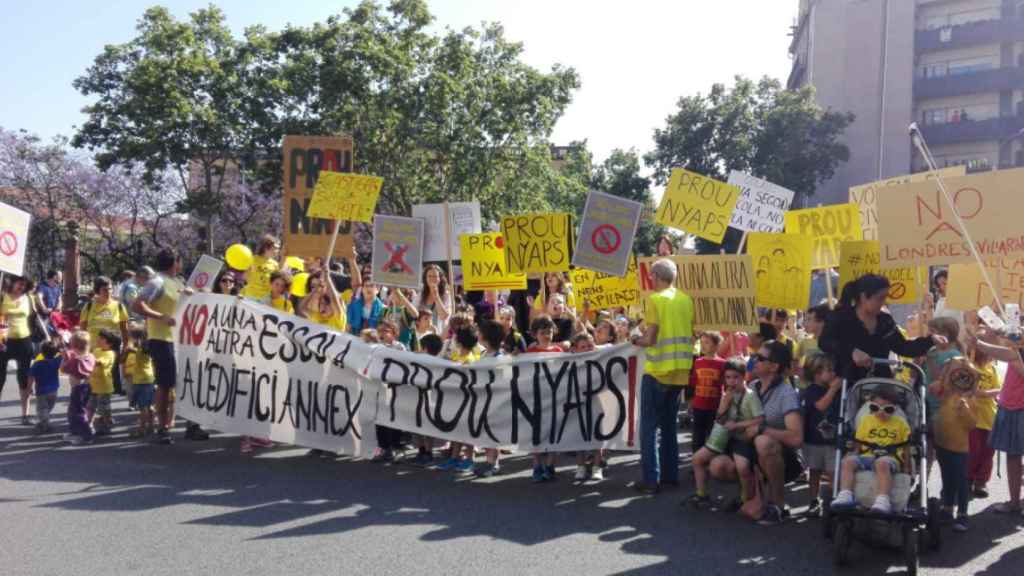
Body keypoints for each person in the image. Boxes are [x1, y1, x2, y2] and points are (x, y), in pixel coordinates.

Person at [631, 258, 695, 495]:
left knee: (648, 428)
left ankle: (651, 480)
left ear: (656, 276)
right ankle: (670, 476)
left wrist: (634, 340)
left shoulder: (655, 299)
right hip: (680, 373)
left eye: (652, 276)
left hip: (658, 372)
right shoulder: (686, 299)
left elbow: (650, 339)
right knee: (669, 427)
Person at [819, 274, 940, 384]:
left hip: (881, 385)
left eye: (885, 298)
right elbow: (824, 342)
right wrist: (851, 351)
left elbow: (904, 347)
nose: (883, 303)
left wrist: (930, 340)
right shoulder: (840, 317)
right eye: (880, 298)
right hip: (847, 385)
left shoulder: (885, 321)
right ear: (863, 297)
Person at [685, 358, 763, 508]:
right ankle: (702, 494)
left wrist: (738, 424)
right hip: (726, 437)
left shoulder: (750, 395)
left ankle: (745, 500)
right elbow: (719, 419)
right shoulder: (727, 393)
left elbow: (760, 419)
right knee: (697, 459)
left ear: (744, 376)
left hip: (742, 439)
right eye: (728, 377)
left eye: (735, 377)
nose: (731, 381)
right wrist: (723, 404)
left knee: (742, 467)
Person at [134, 248, 189, 445]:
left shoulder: (178, 281)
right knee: (165, 384)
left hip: (179, 340)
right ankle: (162, 427)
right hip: (161, 339)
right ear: (175, 262)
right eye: (180, 261)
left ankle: (182, 424)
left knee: (179, 383)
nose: (181, 264)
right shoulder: (157, 281)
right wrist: (161, 317)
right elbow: (137, 304)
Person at [966, 329, 1024, 514]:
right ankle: (1014, 502)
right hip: (1010, 406)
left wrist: (981, 344)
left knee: (1013, 456)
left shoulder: (1015, 353)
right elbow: (1010, 349)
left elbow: (1010, 355)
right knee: (1013, 456)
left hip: (1018, 408)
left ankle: (1015, 502)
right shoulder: (1017, 346)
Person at [747, 340, 804, 525]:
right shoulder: (751, 387)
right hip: (750, 452)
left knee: (763, 441)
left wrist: (763, 429)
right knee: (718, 466)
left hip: (784, 458)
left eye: (760, 358)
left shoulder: (786, 393)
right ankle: (750, 497)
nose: (754, 360)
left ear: (774, 366)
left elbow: (796, 438)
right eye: (755, 355)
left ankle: (778, 505)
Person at [831, 389, 911, 513]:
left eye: (887, 409)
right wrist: (854, 454)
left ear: (895, 409)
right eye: (875, 408)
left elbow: (906, 446)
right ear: (870, 407)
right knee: (847, 462)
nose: (880, 412)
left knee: (882, 463)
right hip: (867, 455)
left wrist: (906, 467)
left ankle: (883, 500)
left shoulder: (900, 423)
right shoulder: (867, 420)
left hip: (891, 457)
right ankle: (845, 494)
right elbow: (859, 441)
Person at [931, 356, 978, 532]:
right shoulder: (946, 392)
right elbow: (934, 387)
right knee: (947, 477)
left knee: (960, 480)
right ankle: (947, 507)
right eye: (954, 374)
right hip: (942, 442)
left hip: (959, 447)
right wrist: (944, 374)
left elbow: (972, 424)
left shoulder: (970, 400)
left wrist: (964, 410)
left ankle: (963, 513)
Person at [801, 353, 842, 517]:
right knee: (815, 471)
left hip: (832, 441)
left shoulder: (838, 391)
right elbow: (821, 406)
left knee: (833, 472)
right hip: (814, 439)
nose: (833, 374)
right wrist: (833, 389)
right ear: (817, 374)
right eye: (829, 370)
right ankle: (813, 500)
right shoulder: (812, 390)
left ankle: (834, 500)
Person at [527, 315, 564, 482]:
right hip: (536, 398)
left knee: (553, 432)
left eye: (549, 332)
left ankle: (549, 466)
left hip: (555, 398)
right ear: (535, 334)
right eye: (543, 332)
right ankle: (537, 466)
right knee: (536, 434)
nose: (547, 336)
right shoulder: (530, 351)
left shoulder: (558, 351)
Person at [80, 276, 131, 396]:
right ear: (98, 290)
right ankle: (92, 409)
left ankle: (105, 410)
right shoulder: (88, 307)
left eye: (110, 289)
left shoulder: (118, 306)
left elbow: (125, 329)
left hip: (111, 351)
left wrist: (126, 345)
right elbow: (82, 330)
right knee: (93, 382)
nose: (108, 292)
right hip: (92, 350)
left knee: (108, 383)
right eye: (104, 289)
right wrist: (82, 350)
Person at [0, 276, 39, 424]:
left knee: (24, 378)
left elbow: (36, 318)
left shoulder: (28, 298)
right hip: (3, 342)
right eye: (19, 284)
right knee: (0, 378)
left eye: (24, 285)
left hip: (24, 340)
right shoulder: (2, 296)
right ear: (12, 282)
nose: (21, 287)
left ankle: (25, 415)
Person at [571, 332, 606, 483]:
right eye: (582, 347)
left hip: (598, 402)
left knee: (598, 435)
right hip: (579, 403)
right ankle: (580, 466)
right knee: (579, 435)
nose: (586, 349)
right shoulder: (570, 362)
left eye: (589, 346)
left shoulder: (601, 358)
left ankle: (597, 467)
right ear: (576, 349)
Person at [473, 319, 507, 478]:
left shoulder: (500, 357)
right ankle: (490, 461)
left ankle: (493, 463)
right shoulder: (483, 353)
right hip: (483, 399)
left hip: (496, 400)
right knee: (486, 433)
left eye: (480, 332)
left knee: (493, 433)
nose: (477, 334)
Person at [968, 347, 1000, 498]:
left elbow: (997, 389)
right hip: (973, 417)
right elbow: (975, 391)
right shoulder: (970, 367)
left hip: (989, 417)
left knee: (988, 452)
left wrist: (994, 393)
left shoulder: (991, 369)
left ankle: (981, 481)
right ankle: (968, 477)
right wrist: (992, 392)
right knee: (973, 451)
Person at [689, 332, 726, 454]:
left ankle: (711, 462)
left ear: (716, 346)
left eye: (707, 343)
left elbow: (725, 385)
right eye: (702, 343)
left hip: (714, 407)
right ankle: (696, 462)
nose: (703, 346)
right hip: (698, 405)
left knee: (712, 436)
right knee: (697, 437)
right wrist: (691, 402)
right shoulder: (698, 362)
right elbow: (694, 382)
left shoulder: (722, 364)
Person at [122, 325, 156, 439]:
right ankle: (151, 426)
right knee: (150, 405)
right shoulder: (147, 348)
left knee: (143, 407)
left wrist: (129, 345)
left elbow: (127, 353)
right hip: (149, 379)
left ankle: (142, 429)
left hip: (141, 380)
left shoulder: (139, 351)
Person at [62, 331, 95, 445]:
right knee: (73, 410)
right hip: (86, 387)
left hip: (78, 389)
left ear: (74, 346)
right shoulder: (90, 356)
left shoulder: (76, 360)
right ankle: (74, 432)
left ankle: (86, 435)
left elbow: (64, 369)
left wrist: (67, 357)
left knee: (78, 412)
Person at [89, 328, 120, 436]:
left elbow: (99, 363)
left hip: (104, 387)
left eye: (102, 338)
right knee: (91, 406)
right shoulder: (97, 350)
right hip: (93, 385)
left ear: (110, 343)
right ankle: (89, 425)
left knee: (104, 408)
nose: (98, 339)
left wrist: (86, 358)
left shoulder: (110, 353)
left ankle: (107, 425)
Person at [28, 341, 62, 434]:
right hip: (54, 390)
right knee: (48, 407)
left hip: (41, 391)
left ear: (41, 352)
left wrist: (29, 388)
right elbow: (62, 355)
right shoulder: (56, 361)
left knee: (42, 409)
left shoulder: (37, 364)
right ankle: (45, 422)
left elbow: (31, 377)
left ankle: (44, 424)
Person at [239, 234, 281, 301]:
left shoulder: (275, 265)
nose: (277, 251)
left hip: (265, 297)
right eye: (275, 248)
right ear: (266, 247)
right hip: (250, 295)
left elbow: (275, 281)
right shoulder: (253, 259)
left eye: (278, 249)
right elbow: (244, 276)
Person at [415, 265, 451, 334]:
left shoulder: (446, 295)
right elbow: (414, 314)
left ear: (440, 278)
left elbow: (444, 316)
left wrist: (436, 297)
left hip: (438, 335)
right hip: (422, 335)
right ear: (425, 278)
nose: (432, 278)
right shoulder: (420, 295)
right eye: (429, 276)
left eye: (435, 276)